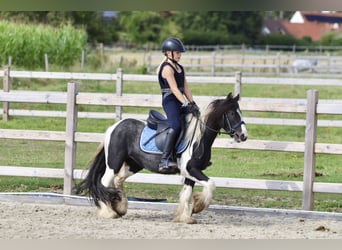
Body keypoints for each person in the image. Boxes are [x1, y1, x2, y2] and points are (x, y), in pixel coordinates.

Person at [157, 37, 199, 174]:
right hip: (170, 101)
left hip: (180, 99)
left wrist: (192, 103)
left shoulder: (180, 68)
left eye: (180, 53)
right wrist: (185, 103)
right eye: (177, 52)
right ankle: (165, 159)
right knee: (176, 125)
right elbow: (174, 89)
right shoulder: (167, 69)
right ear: (168, 53)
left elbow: (185, 87)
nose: (179, 55)